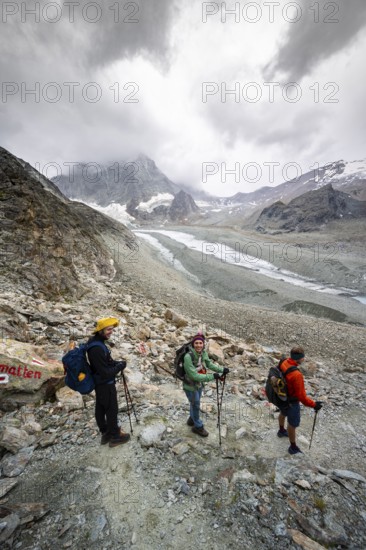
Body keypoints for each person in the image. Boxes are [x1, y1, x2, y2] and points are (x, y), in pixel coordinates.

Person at [87, 317, 130, 448]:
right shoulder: (97, 348)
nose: (111, 332)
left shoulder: (96, 343)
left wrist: (117, 363)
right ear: (100, 330)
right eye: (108, 329)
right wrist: (119, 367)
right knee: (111, 409)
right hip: (105, 383)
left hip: (99, 383)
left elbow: (105, 363)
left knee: (100, 407)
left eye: (112, 329)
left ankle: (105, 433)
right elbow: (105, 372)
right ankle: (115, 437)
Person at [277, 346, 323, 455]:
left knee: (283, 412)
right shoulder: (296, 375)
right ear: (299, 358)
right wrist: (314, 405)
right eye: (303, 357)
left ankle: (281, 430)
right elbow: (302, 398)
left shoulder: (284, 362)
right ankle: (293, 447)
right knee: (292, 424)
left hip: (282, 396)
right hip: (292, 402)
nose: (304, 359)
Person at [183, 333, 229, 437]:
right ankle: (198, 427)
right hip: (190, 386)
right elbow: (193, 375)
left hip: (199, 384)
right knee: (196, 404)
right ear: (193, 344)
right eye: (196, 343)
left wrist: (222, 369)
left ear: (203, 344)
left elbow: (209, 364)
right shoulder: (187, 357)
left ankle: (191, 419)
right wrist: (212, 376)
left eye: (200, 343)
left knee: (195, 403)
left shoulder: (202, 353)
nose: (199, 345)